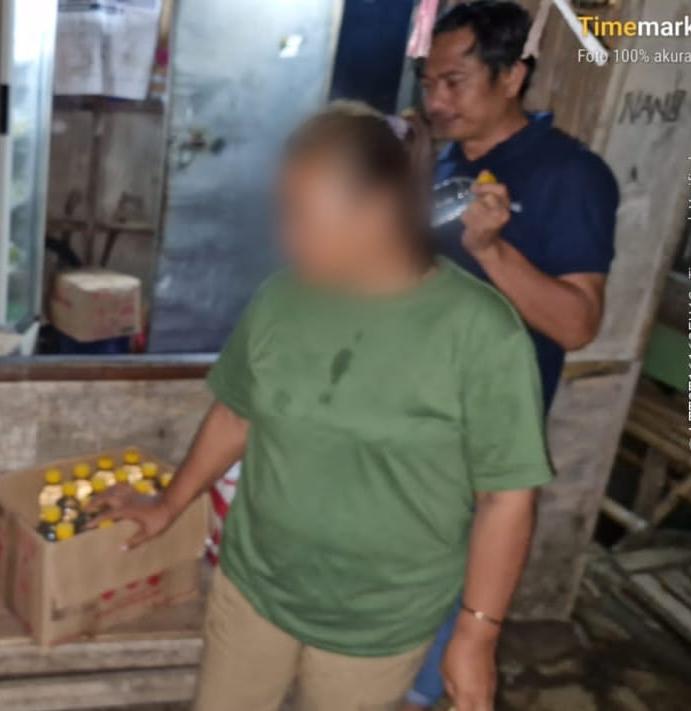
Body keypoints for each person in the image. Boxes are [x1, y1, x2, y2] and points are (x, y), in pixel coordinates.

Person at [91, 102, 552, 711]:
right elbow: (236, 414)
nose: (285, 237)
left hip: (376, 621)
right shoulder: (281, 299)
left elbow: (506, 498)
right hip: (255, 587)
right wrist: (168, 505)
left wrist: (476, 634)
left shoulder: (480, 331)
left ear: (378, 211)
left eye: (302, 215)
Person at [404, 2, 619, 709]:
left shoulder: (570, 176)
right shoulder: (440, 161)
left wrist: (492, 250)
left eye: (454, 82)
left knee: (446, 598)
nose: (436, 100)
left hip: (480, 439)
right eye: (429, 83)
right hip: (404, 420)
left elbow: (577, 324)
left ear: (511, 77)